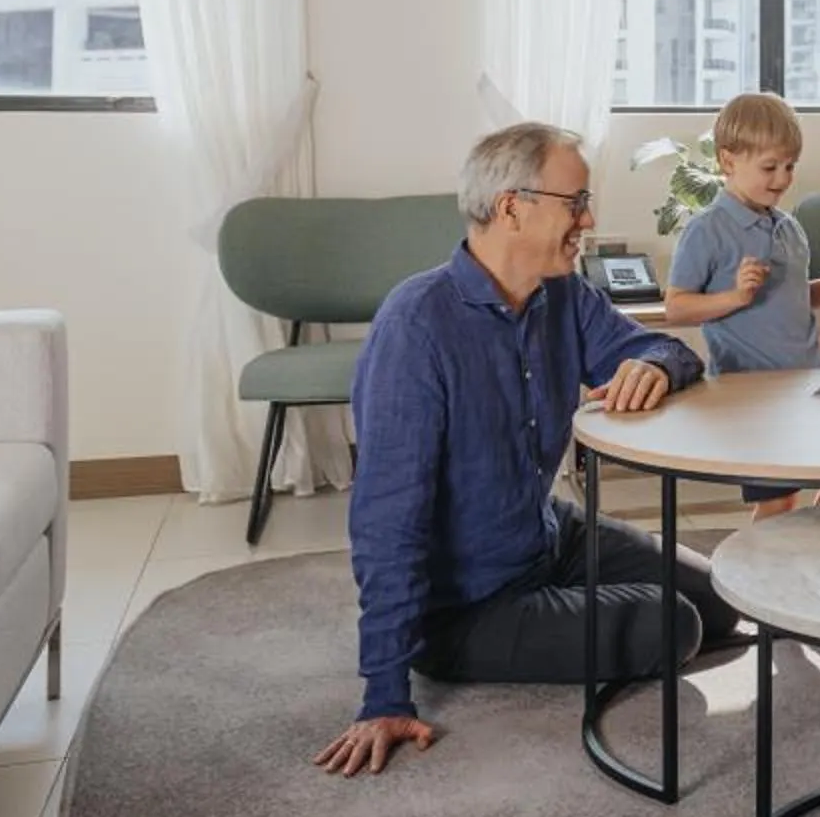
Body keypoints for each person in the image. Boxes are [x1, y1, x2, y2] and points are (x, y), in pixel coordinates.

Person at [315, 121, 739, 779]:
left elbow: (667, 349)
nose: (590, 219)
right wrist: (383, 693)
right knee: (674, 627)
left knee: (725, 599)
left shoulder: (563, 295)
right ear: (512, 206)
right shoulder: (416, 326)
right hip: (469, 603)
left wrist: (653, 367)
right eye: (577, 203)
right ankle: (456, 650)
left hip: (546, 537)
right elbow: (386, 520)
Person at [659, 91, 820, 517]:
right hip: (752, 392)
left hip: (808, 383)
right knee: (778, 498)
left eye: (789, 167)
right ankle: (757, 575)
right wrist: (735, 297)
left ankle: (806, 547)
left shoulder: (789, 227)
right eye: (770, 167)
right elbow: (677, 308)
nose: (782, 179)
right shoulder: (708, 229)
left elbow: (796, 298)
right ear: (728, 162)